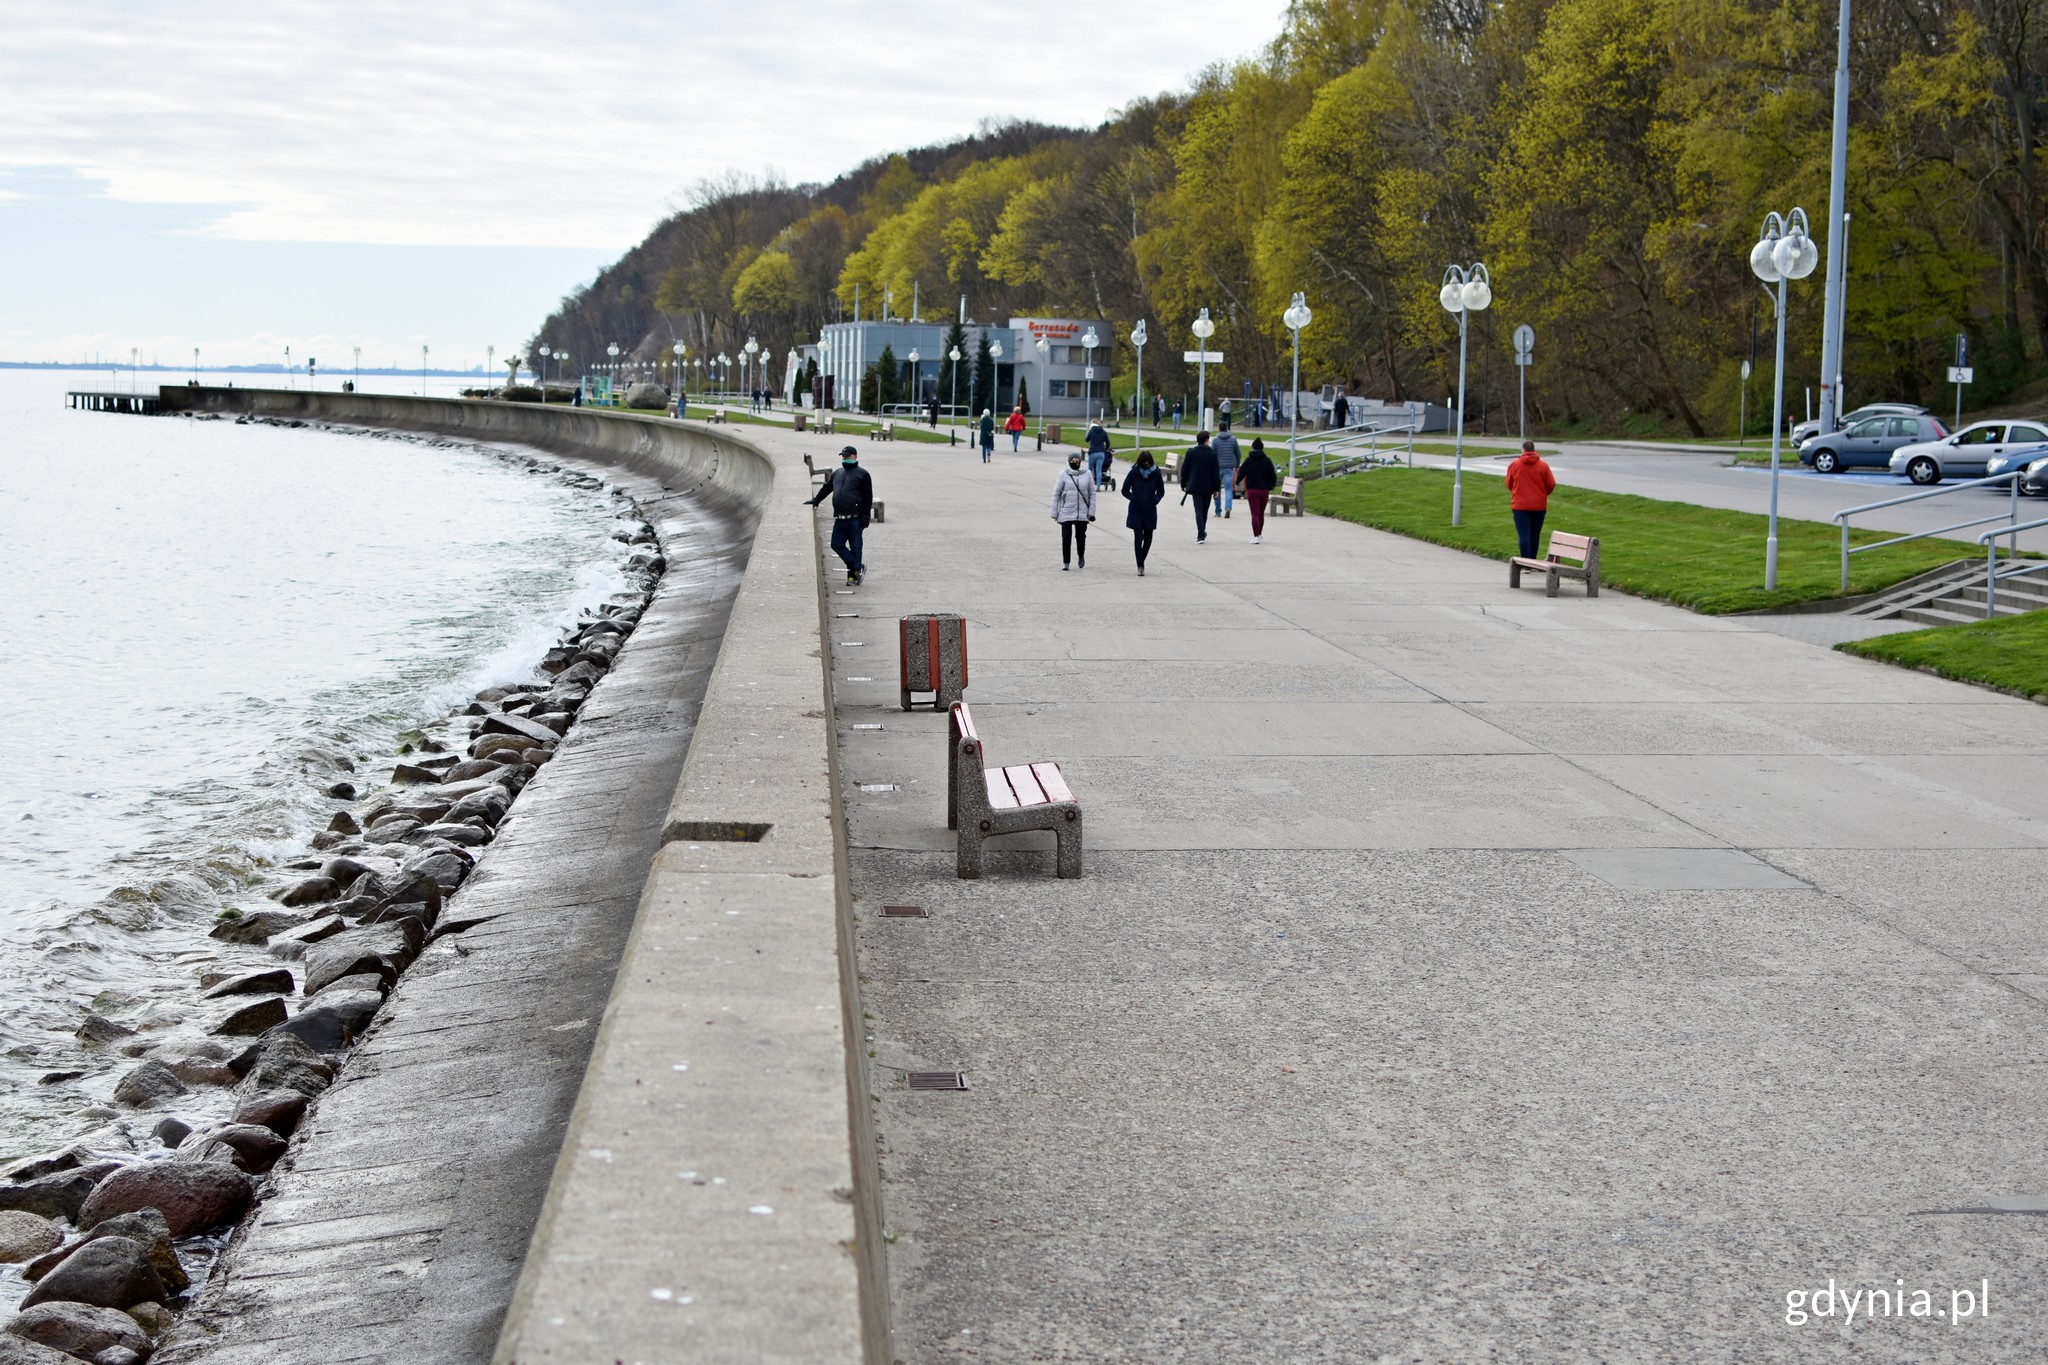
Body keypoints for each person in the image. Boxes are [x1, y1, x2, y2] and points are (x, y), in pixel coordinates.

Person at [808, 445, 874, 585]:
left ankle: (852, 578)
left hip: (855, 519)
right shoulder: (838, 473)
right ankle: (858, 567)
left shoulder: (863, 474)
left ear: (855, 456)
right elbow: (827, 488)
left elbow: (868, 498)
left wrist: (865, 518)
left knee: (855, 549)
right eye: (843, 456)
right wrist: (816, 500)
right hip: (840, 518)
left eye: (847, 456)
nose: (844, 458)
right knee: (836, 544)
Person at [1505, 439, 1557, 558]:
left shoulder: (1514, 465)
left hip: (1520, 505)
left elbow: (1509, 483)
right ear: (1534, 450)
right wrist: (1543, 493)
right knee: (1535, 534)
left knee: (1524, 535)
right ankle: (1532, 561)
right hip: (1539, 506)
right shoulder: (1543, 466)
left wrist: (1517, 491)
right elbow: (1551, 484)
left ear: (1523, 450)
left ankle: (1525, 563)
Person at [1051, 451, 1097, 569]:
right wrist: (1054, 512)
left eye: (1077, 461)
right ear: (1069, 462)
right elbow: (1056, 494)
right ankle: (1066, 562)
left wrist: (1091, 512)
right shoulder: (1063, 474)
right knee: (1066, 536)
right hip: (1066, 510)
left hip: (1082, 510)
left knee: (1080, 536)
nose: (1075, 463)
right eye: (1073, 461)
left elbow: (1092, 493)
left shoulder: (1087, 474)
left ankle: (1081, 555)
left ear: (1080, 461)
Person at [1122, 450, 1165, 575]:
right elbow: (1124, 489)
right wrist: (1133, 497)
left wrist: (1155, 500)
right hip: (1136, 508)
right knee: (1138, 537)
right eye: (1143, 462)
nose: (1146, 464)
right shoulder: (1134, 472)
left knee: (1148, 539)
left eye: (1148, 462)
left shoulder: (1156, 473)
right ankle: (1140, 565)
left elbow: (1161, 491)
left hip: (1150, 509)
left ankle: (1141, 559)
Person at [1179, 430, 1221, 543]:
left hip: (1195, 485)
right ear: (1207, 440)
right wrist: (1216, 488)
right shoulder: (1212, 454)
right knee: (1204, 510)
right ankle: (1201, 532)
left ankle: (1201, 534)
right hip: (1208, 487)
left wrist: (1183, 483)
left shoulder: (1191, 452)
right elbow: (1215, 473)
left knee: (1198, 509)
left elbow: (1185, 469)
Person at [1237, 437, 1277, 544]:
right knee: (1261, 513)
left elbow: (1241, 472)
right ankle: (1259, 534)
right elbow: (1272, 475)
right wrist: (1271, 486)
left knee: (1254, 513)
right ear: (1262, 448)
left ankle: (1255, 536)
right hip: (1264, 491)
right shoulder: (1267, 460)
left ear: (1253, 447)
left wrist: (1237, 481)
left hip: (1252, 490)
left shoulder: (1248, 460)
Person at [1211, 418, 1241, 520]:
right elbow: (1238, 453)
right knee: (1228, 489)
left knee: (1216, 489)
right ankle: (1228, 507)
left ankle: (1218, 511)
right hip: (1229, 467)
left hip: (1217, 468)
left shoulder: (1215, 440)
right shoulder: (1233, 439)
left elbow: (1212, 455)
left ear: (1219, 429)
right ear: (1227, 428)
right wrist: (1236, 465)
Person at [1085, 417, 1112, 489]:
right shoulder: (1104, 432)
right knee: (1099, 469)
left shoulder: (1091, 431)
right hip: (1101, 453)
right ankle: (1098, 487)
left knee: (1091, 470)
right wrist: (1105, 449)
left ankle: (1091, 486)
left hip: (1092, 452)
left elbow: (1086, 440)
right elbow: (1108, 443)